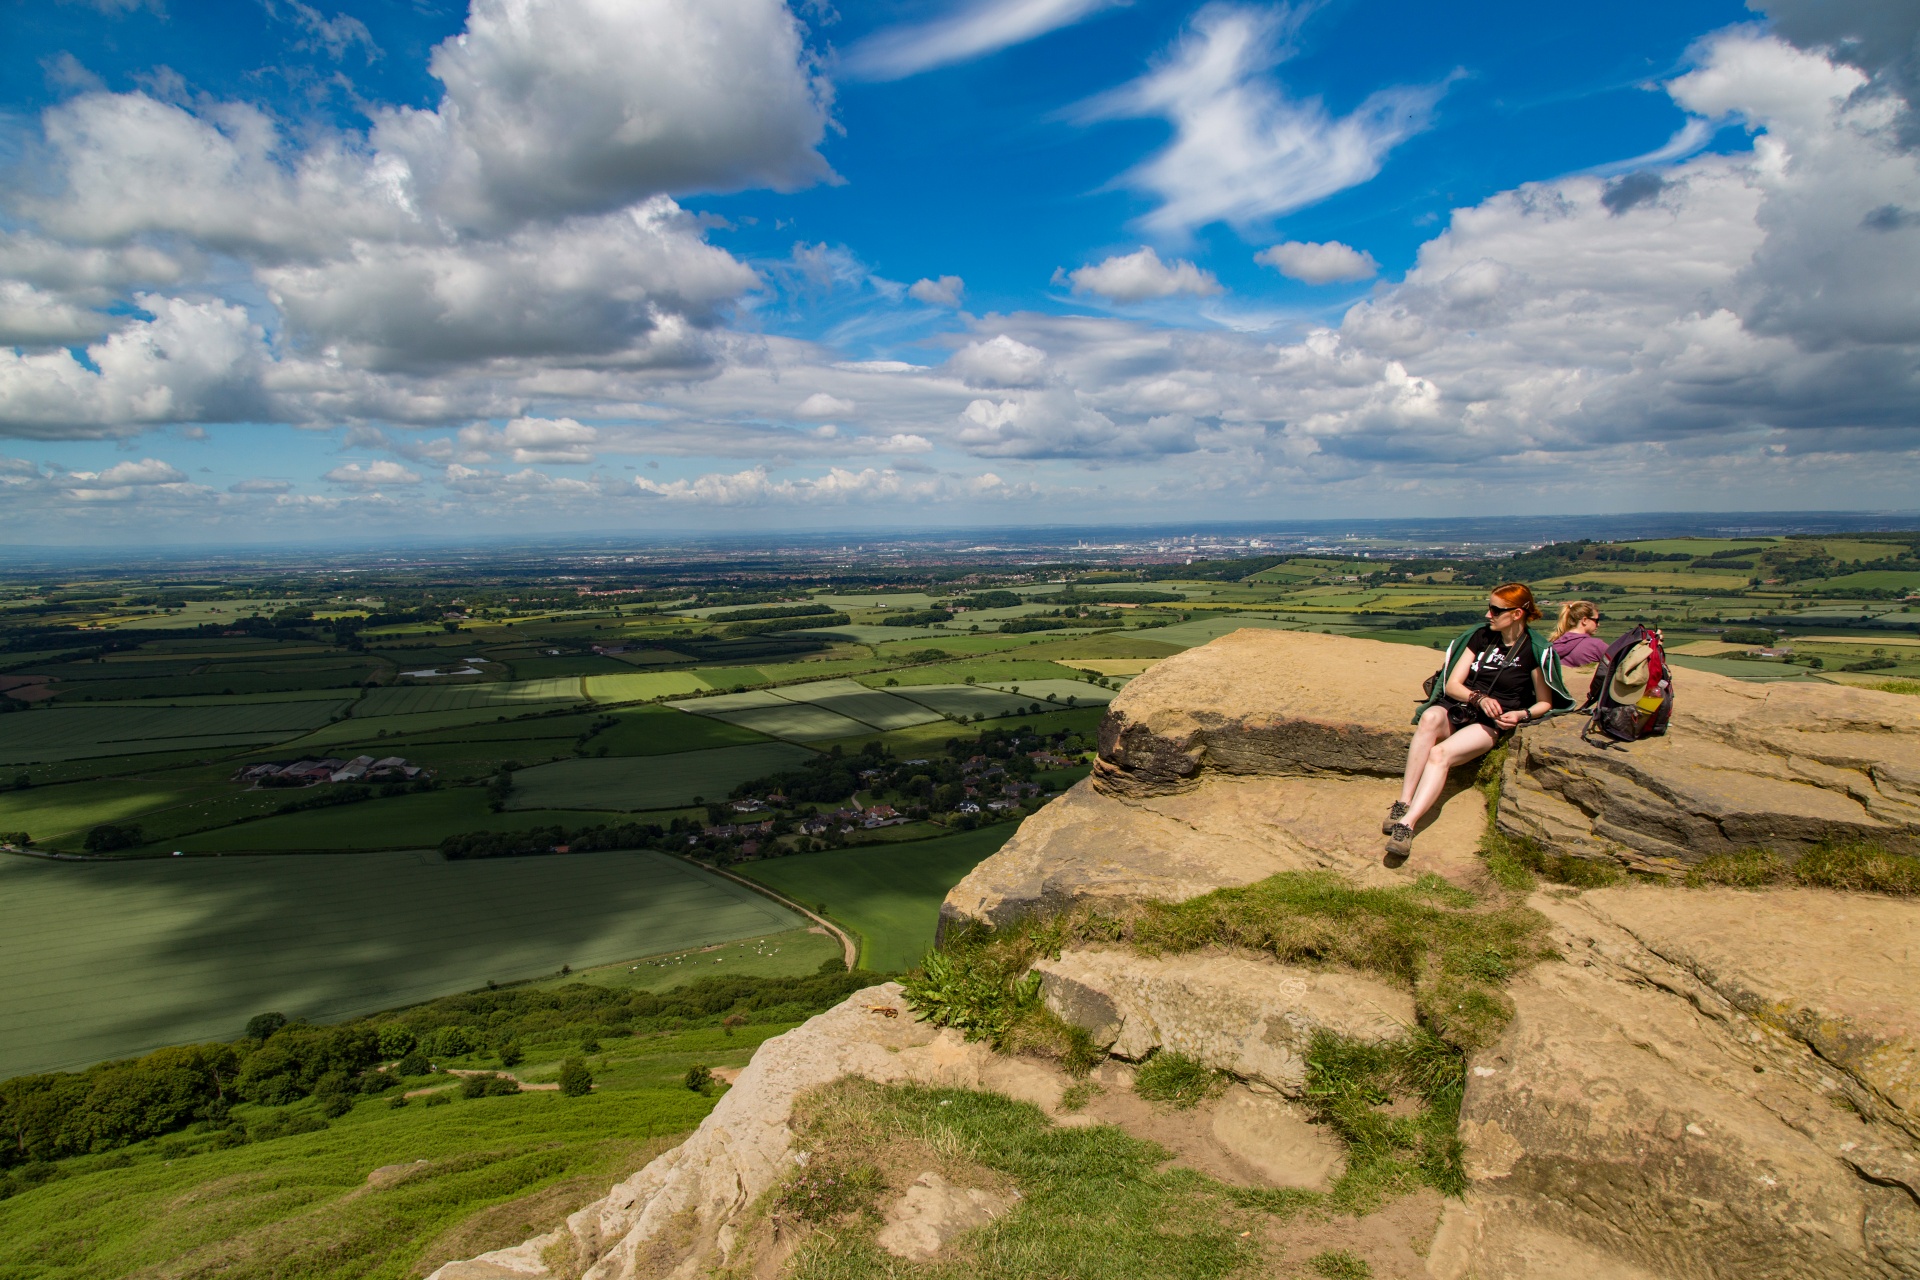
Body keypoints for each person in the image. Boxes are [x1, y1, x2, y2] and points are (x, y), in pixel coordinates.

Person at [1385, 583, 1574, 860]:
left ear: (1518, 614)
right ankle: (1403, 802)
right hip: (1463, 706)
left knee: (1440, 754)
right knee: (1429, 717)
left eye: (1496, 610)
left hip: (1490, 722)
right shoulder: (1481, 637)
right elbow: (1452, 685)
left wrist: (1522, 714)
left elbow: (1545, 702)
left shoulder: (1532, 651)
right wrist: (1478, 698)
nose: (1489, 614)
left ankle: (1406, 825)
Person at [1548, 600, 1608, 667]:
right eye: (1596, 620)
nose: (1598, 624)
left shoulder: (1552, 645)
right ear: (1584, 620)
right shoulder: (1596, 646)